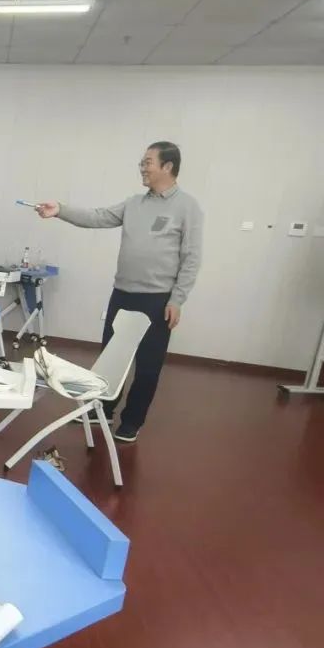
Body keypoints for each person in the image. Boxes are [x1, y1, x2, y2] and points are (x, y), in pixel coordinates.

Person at [34, 141, 203, 443]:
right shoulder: (134, 203)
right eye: (142, 162)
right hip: (123, 294)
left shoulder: (187, 207)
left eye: (148, 162)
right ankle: (103, 410)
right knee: (111, 359)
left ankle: (132, 421)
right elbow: (98, 216)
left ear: (167, 166)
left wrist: (177, 299)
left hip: (158, 300)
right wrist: (60, 210)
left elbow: (191, 258)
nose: (142, 167)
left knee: (148, 366)